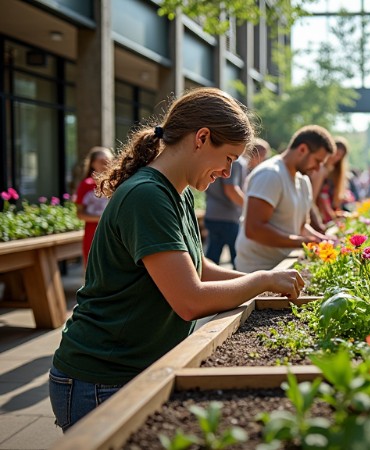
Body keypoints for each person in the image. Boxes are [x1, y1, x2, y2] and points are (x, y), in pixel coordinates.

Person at [49, 88, 304, 431]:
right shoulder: (148, 195)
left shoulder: (178, 190)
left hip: (127, 370)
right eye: (228, 158)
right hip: (100, 378)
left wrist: (261, 276)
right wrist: (262, 281)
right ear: (201, 138)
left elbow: (197, 267)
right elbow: (189, 300)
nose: (228, 172)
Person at [235, 125, 334, 272]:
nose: (318, 168)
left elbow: (300, 227)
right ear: (302, 150)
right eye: (317, 161)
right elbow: (254, 229)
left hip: (283, 266)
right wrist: (302, 242)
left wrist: (321, 240)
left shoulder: (303, 181)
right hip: (256, 270)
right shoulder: (270, 174)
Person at [203, 138, 268, 267]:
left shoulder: (218, 158)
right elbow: (231, 190)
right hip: (228, 217)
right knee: (238, 259)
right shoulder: (237, 162)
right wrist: (251, 209)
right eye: (263, 156)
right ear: (256, 153)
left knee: (212, 257)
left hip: (211, 213)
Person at [74, 147, 113, 266]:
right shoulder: (86, 185)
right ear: (93, 163)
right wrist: (102, 218)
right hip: (93, 234)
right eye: (102, 160)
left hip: (113, 234)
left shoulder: (116, 182)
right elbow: (80, 214)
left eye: (109, 160)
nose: (106, 164)